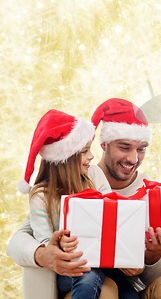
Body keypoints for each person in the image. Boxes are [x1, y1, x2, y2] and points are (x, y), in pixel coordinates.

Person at [7, 98, 161, 299]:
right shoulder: (48, 194)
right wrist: (49, 251)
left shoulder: (146, 193)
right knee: (98, 283)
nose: (134, 159)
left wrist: (147, 256)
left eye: (141, 149)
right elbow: (18, 241)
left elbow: (146, 274)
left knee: (138, 288)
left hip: (116, 272)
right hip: (80, 272)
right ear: (104, 144)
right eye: (125, 147)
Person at [18, 108, 136, 299]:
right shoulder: (40, 196)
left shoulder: (94, 175)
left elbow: (111, 210)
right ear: (64, 160)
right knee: (87, 274)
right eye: (84, 152)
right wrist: (61, 244)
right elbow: (47, 243)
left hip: (103, 260)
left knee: (129, 293)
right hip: (71, 268)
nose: (91, 157)